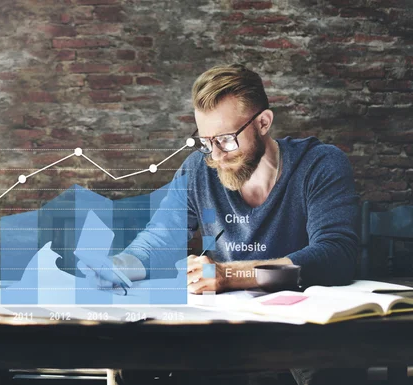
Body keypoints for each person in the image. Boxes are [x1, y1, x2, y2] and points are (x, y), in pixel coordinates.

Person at [81, 64, 365, 385]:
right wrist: (116, 269)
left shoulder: (319, 164)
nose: (216, 155)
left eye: (227, 140)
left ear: (263, 123)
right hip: (227, 322)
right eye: (206, 141)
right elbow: (160, 240)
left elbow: (335, 256)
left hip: (302, 322)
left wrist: (231, 275)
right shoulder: (199, 170)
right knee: (127, 354)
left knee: (333, 363)